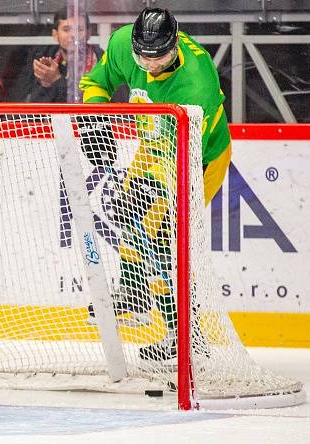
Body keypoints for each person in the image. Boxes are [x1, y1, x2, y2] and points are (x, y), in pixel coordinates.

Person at [79, 8, 232, 361]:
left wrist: (154, 193)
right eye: (142, 57)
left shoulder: (197, 85)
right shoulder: (121, 44)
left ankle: (185, 334)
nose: (148, 66)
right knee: (127, 211)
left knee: (161, 233)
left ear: (174, 45)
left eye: (158, 57)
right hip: (155, 145)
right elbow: (95, 83)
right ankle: (134, 291)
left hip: (199, 158)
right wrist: (96, 120)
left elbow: (186, 154)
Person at [7, 7, 102, 103]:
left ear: (89, 33)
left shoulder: (105, 62)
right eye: (66, 29)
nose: (73, 35)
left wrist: (56, 80)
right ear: (55, 34)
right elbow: (27, 108)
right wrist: (45, 84)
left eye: (79, 29)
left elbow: (101, 106)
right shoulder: (43, 61)